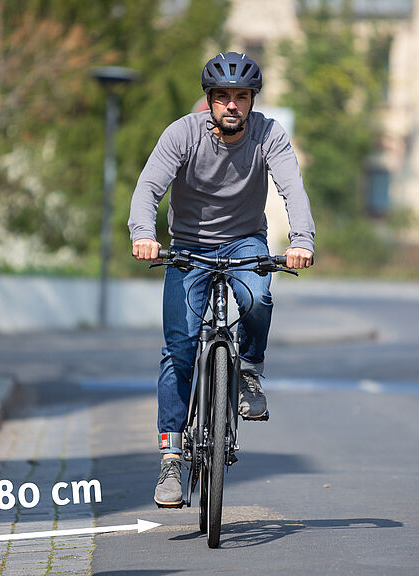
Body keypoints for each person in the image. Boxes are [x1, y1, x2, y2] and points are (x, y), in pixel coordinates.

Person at [128, 51, 315, 507]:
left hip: (244, 240)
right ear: (209, 100)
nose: (232, 105)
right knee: (179, 350)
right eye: (224, 97)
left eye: (242, 97)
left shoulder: (269, 134)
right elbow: (149, 186)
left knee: (256, 298)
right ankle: (171, 460)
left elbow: (292, 186)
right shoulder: (182, 134)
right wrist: (143, 235)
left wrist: (302, 240)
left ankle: (249, 370)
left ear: (252, 102)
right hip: (188, 246)